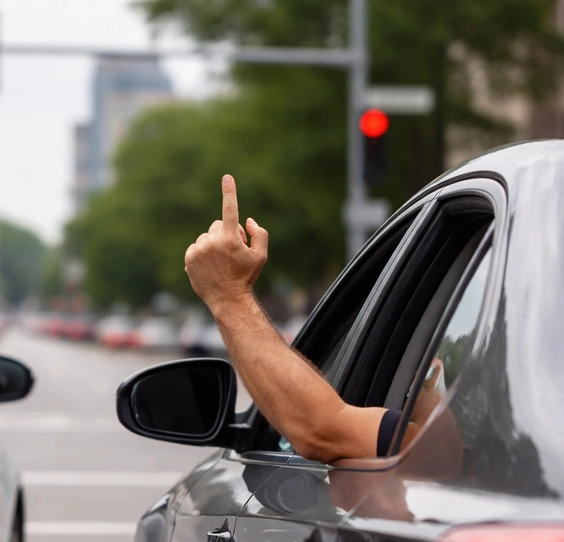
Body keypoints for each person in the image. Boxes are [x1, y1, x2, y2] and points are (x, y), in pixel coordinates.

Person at [184, 174, 450, 463]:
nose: (430, 370)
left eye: (426, 375)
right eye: (424, 371)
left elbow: (321, 432)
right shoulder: (471, 456)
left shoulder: (444, 454)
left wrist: (228, 294)